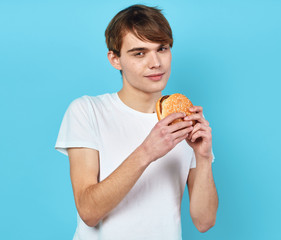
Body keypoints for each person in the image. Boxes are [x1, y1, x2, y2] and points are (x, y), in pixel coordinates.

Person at [55, 4, 218, 240]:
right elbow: (89, 211)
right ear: (115, 59)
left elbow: (204, 222)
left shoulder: (185, 119)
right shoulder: (87, 110)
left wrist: (203, 158)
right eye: (139, 53)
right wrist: (147, 151)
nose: (155, 63)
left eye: (162, 49)